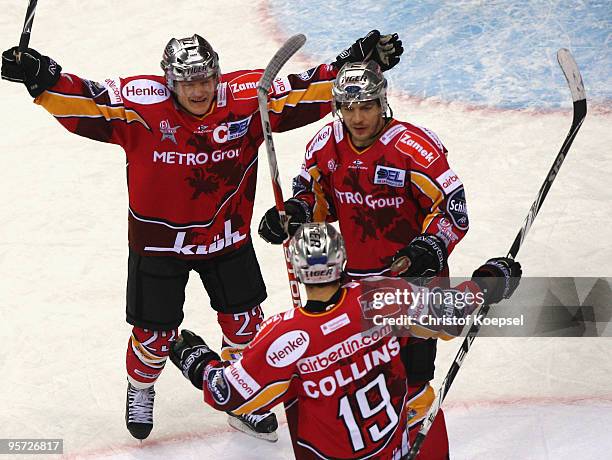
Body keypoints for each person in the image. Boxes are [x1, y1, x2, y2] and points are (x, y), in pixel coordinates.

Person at [0, 31, 404, 441]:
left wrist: (354, 63)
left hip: (225, 237)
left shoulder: (248, 97)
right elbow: (89, 99)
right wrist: (42, 77)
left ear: (218, 75)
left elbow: (302, 90)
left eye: (206, 79)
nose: (199, 90)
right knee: (153, 337)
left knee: (246, 327)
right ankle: (140, 387)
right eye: (188, 82)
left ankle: (242, 401)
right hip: (158, 244)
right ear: (169, 82)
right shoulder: (141, 103)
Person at [258, 60, 468, 456]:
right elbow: (314, 198)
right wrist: (295, 214)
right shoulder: (324, 145)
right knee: (368, 382)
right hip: (354, 292)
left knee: (415, 386)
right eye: (348, 107)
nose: (357, 117)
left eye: (366, 106)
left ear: (382, 103)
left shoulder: (412, 148)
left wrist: (430, 246)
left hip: (413, 286)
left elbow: (453, 210)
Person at [170, 222, 522, 459]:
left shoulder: (286, 336)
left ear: (297, 269)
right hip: (394, 449)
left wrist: (196, 359)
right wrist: (490, 280)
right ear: (342, 261)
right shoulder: (379, 297)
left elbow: (227, 393)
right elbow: (449, 315)